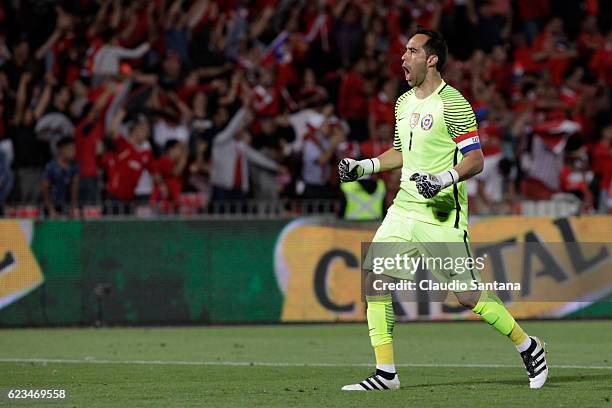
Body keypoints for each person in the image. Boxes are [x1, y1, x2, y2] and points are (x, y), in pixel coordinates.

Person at [338, 27, 548, 391]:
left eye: (411, 51)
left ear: (431, 58)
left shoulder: (453, 103)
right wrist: (365, 166)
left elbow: (476, 159)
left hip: (441, 215)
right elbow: (402, 152)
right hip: (404, 209)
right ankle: (386, 373)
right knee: (374, 279)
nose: (403, 57)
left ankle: (529, 346)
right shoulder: (403, 102)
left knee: (468, 296)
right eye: (404, 51)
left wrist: (442, 180)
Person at [41, 137, 79, 218]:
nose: (73, 152)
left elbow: (74, 189)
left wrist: (73, 208)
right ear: (61, 150)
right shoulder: (50, 167)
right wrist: (51, 210)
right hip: (51, 207)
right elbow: (45, 190)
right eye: (70, 149)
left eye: (74, 149)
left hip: (66, 207)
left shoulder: (74, 167)